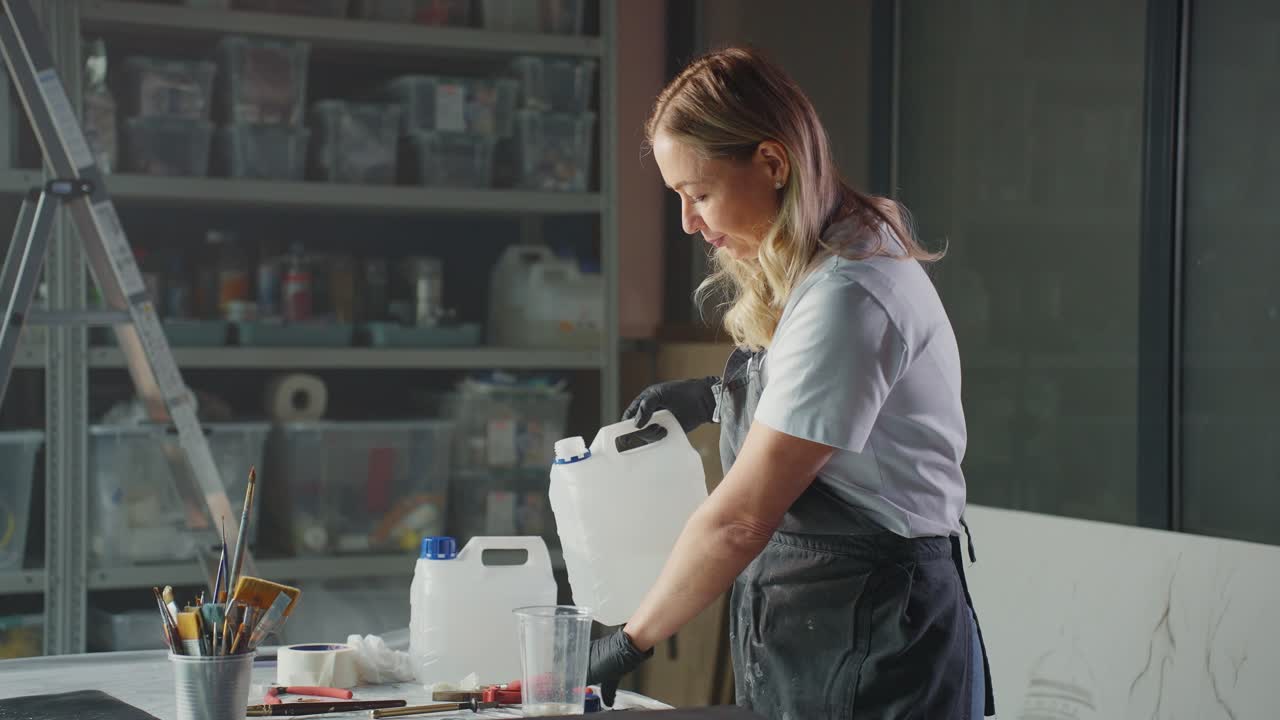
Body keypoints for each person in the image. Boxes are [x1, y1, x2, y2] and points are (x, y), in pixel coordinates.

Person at [584, 47, 995, 719]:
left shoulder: (851, 294)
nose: (690, 221)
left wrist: (631, 640)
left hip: (876, 643)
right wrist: (716, 398)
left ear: (773, 164)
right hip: (825, 630)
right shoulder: (820, 263)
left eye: (700, 194)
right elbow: (821, 406)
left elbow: (740, 521)